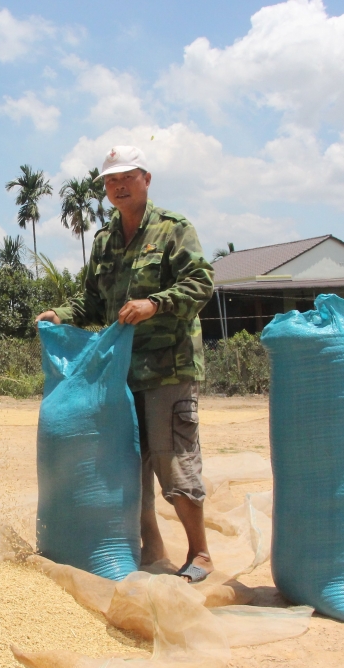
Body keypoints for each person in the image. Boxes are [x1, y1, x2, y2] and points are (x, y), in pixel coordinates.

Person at [36, 145, 216, 582]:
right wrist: (62, 314)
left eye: (127, 177)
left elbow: (201, 282)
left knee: (173, 463)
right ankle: (150, 551)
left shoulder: (174, 229)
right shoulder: (104, 241)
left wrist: (155, 304)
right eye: (110, 181)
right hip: (119, 376)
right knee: (125, 470)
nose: (117, 186)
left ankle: (201, 554)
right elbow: (93, 300)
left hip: (168, 370)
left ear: (146, 179)